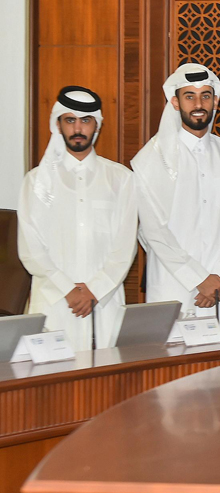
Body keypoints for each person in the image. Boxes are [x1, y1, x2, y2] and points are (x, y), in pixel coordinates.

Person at [131, 64, 220, 332]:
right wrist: (199, 279)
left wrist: (219, 276)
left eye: (205, 96)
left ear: (215, 101)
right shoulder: (151, 160)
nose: (199, 104)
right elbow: (152, 231)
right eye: (189, 96)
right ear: (175, 102)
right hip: (173, 284)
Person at [17, 86, 137, 350]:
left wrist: (94, 289)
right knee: (49, 386)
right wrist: (68, 290)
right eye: (70, 120)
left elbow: (124, 246)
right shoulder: (36, 182)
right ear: (58, 125)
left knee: (106, 385)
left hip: (103, 302)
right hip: (53, 302)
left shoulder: (120, 179)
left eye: (86, 120)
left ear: (97, 125)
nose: (78, 128)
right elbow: (30, 249)